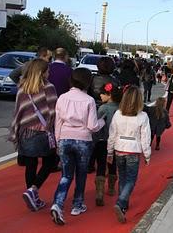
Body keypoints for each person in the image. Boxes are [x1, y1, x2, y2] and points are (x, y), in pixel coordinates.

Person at [50, 68, 105, 226]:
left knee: (66, 175)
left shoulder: (62, 97)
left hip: (65, 138)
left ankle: (58, 203)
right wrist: (102, 121)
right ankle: (77, 204)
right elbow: (92, 126)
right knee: (81, 173)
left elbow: (58, 122)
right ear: (87, 82)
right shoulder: (89, 100)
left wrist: (58, 141)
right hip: (83, 140)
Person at [8, 59, 57, 212]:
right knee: (51, 161)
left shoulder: (22, 88)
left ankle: (32, 195)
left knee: (31, 165)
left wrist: (16, 130)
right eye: (47, 70)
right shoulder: (48, 87)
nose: (49, 73)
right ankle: (33, 190)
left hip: (25, 131)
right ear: (42, 73)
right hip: (42, 133)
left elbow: (18, 111)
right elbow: (53, 112)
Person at [107, 86, 151, 223]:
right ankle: (121, 203)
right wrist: (147, 154)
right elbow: (146, 137)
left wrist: (109, 151)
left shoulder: (117, 114)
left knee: (123, 177)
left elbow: (112, 134)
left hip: (119, 148)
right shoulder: (143, 116)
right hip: (133, 149)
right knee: (131, 179)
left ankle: (123, 204)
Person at [9, 47, 52, 167]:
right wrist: (21, 85)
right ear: (42, 56)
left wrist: (22, 86)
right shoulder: (31, 66)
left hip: (28, 97)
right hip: (31, 98)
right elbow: (13, 74)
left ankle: (23, 157)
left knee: (25, 126)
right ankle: (25, 157)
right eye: (49, 57)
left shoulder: (30, 66)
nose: (50, 60)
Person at [88, 57, 119, 173]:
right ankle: (109, 162)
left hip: (95, 108)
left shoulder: (92, 79)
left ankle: (91, 163)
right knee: (109, 134)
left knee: (94, 137)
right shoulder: (115, 80)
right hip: (111, 108)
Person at [93, 82, 122, 206]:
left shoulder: (103, 108)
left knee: (101, 165)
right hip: (116, 142)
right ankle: (111, 188)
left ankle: (99, 192)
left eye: (103, 93)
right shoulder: (120, 108)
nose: (100, 95)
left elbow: (97, 126)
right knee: (113, 165)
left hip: (102, 141)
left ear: (109, 95)